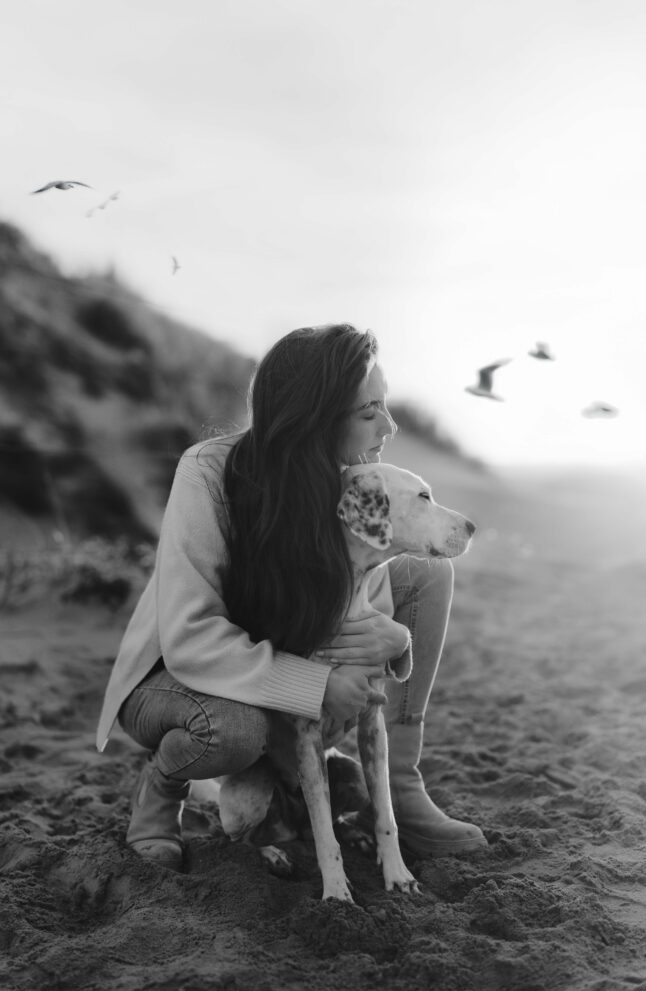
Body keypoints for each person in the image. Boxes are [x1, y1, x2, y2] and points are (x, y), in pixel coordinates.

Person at [96, 323, 487, 870]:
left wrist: (394, 638)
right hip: (177, 679)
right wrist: (316, 685)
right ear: (314, 417)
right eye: (369, 411)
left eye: (386, 405)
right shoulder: (207, 474)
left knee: (427, 574)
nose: (390, 425)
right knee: (236, 731)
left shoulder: (352, 482)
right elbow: (191, 635)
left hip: (267, 671)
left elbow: (361, 605)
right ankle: (161, 791)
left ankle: (398, 784)